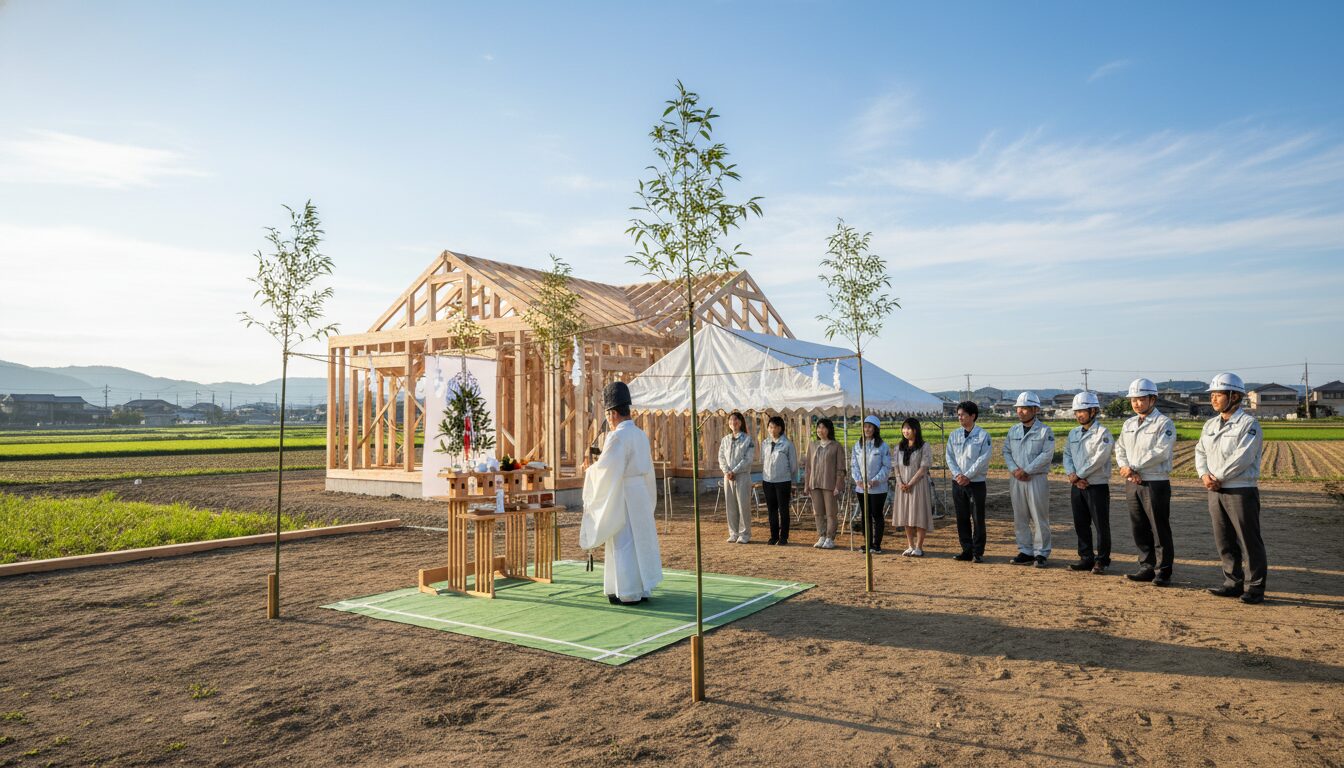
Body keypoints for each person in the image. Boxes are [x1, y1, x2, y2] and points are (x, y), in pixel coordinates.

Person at [580, 381, 663, 605]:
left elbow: (607, 468)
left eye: (608, 414)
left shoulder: (617, 436)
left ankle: (627, 590)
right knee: (639, 540)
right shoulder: (640, 435)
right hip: (639, 492)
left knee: (623, 541)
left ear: (614, 413)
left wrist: (589, 471)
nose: (608, 419)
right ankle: (641, 587)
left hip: (624, 493)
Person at [1196, 372, 1268, 604]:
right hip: (1214, 489)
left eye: (1218, 395)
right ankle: (1232, 582)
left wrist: (1217, 476)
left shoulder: (1249, 424)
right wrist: (1204, 475)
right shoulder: (1209, 424)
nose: (1213, 399)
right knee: (1224, 539)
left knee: (1249, 540)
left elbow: (1243, 457)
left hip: (1239, 489)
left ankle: (1255, 587)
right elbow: (1200, 452)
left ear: (1235, 396)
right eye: (1213, 395)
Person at [1114, 377, 1177, 587]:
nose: (1136, 403)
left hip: (1155, 481)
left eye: (1141, 399)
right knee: (1138, 526)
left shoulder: (1164, 423)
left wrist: (1133, 467)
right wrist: (1125, 468)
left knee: (1159, 527)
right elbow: (1120, 448)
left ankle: (1163, 570)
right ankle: (1146, 566)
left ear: (1153, 399)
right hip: (1132, 481)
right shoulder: (1129, 423)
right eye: (1133, 399)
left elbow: (1160, 452)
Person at [1063, 392, 1113, 574]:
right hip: (1077, 485)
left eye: (1082, 411)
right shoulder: (1073, 433)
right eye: (1076, 412)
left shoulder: (1103, 433)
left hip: (1096, 485)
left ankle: (1102, 560)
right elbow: (1067, 454)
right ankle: (1086, 557)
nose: (1078, 415)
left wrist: (1079, 475)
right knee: (1080, 523)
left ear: (1093, 411)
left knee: (1100, 524)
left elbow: (1099, 458)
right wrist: (1071, 474)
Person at [1004, 392, 1054, 567]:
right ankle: (1025, 550)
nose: (1020, 411)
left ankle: (1041, 552)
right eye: (1018, 408)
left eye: (1025, 408)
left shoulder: (1044, 431)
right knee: (1020, 517)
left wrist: (1027, 470)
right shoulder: (1013, 430)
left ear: (1035, 409)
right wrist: (1014, 470)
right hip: (1016, 479)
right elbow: (1006, 452)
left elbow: (1047, 454)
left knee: (1039, 517)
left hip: (1036, 479)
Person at [946, 401, 991, 563]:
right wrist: (958, 475)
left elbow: (983, 459)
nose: (960, 418)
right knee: (962, 517)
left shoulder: (983, 435)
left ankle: (978, 551)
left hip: (975, 483)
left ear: (973, 416)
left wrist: (968, 476)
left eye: (963, 415)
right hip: (957, 482)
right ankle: (966, 549)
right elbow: (949, 457)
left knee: (977, 517)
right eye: (958, 415)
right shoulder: (954, 435)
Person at [892, 417, 934, 557]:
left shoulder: (924, 446)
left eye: (909, 428)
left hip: (918, 486)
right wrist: (900, 483)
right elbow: (896, 467)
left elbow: (923, 468)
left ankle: (919, 547)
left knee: (919, 515)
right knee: (906, 515)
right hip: (902, 487)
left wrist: (910, 483)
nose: (906, 431)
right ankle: (910, 545)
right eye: (904, 428)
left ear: (916, 430)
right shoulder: (898, 447)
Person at [851, 415, 892, 554]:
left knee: (877, 514)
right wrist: (858, 480)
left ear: (875, 429)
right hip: (861, 488)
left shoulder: (882, 446)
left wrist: (875, 480)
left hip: (878, 488)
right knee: (865, 514)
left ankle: (877, 544)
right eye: (865, 426)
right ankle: (867, 542)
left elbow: (886, 467)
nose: (867, 429)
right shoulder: (858, 445)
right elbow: (854, 465)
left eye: (870, 426)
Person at [804, 417, 845, 550]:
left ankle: (830, 537)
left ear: (829, 429)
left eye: (823, 427)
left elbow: (841, 468)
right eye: (818, 427)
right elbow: (808, 467)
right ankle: (821, 535)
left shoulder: (836, 446)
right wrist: (807, 484)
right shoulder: (812, 445)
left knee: (831, 512)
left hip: (830, 484)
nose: (820, 430)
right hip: (814, 483)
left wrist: (838, 485)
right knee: (818, 512)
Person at [718, 411, 756, 544]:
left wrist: (734, 470)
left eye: (736, 420)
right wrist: (726, 471)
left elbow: (748, 459)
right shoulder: (725, 439)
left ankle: (744, 534)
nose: (733, 423)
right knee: (730, 505)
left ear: (741, 422)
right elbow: (721, 457)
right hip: (728, 477)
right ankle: (733, 532)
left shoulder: (747, 439)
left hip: (742, 476)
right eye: (731, 420)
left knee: (743, 504)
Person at [760, 415, 798, 546]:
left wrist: (792, 482)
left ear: (781, 428)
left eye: (775, 427)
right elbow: (763, 460)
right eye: (770, 427)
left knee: (783, 510)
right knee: (771, 510)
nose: (772, 429)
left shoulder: (787, 444)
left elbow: (793, 465)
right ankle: (773, 536)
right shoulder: (765, 443)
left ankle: (784, 537)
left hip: (783, 481)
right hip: (767, 481)